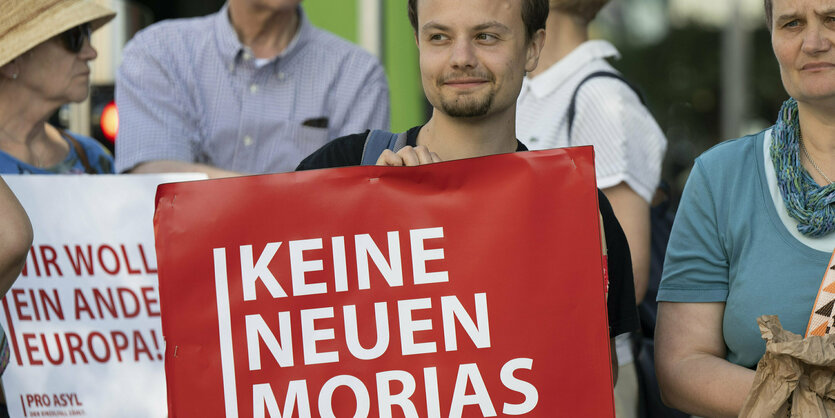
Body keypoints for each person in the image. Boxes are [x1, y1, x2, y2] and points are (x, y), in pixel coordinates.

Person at [297, 0, 639, 381]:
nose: (461, 57)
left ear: (532, 48)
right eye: (439, 37)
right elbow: (279, 346)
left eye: (486, 36)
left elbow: (586, 381)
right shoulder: (336, 174)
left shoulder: (575, 211)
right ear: (418, 43)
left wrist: (451, 228)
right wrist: (372, 217)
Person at [655, 0, 835, 416]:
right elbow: (681, 366)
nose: (813, 42)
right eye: (792, 23)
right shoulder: (721, 178)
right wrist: (809, 408)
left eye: (832, 19)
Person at [514, 1, 666, 416]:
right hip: (526, 366)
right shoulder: (530, 89)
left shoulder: (601, 99)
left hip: (585, 372)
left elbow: (627, 274)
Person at [115, 0, 391, 178]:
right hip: (186, 263)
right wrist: (296, 191)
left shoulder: (357, 73)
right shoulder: (160, 52)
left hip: (302, 266)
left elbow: (352, 201)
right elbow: (155, 179)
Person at [0, 0, 116, 174]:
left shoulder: (93, 159)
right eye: (73, 37)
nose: (91, 53)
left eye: (88, 33)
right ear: (12, 62)